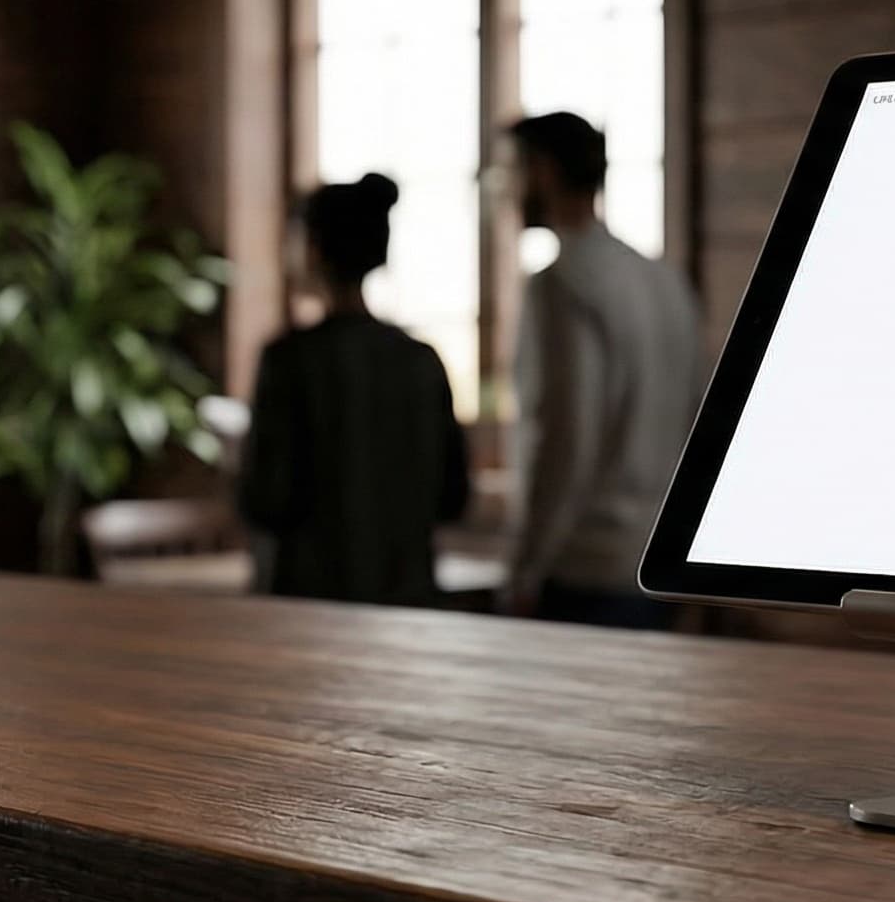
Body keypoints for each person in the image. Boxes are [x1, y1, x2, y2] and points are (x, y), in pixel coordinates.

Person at [499, 111, 701, 628]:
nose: (506, 193)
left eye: (511, 173)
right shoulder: (664, 282)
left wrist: (525, 567)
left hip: (585, 566)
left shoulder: (563, 285)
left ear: (541, 171)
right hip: (657, 561)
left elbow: (562, 439)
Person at [237, 175, 472, 605]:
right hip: (409, 598)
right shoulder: (420, 359)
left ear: (312, 247)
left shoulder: (290, 360)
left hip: (310, 600)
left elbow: (267, 497)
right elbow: (452, 496)